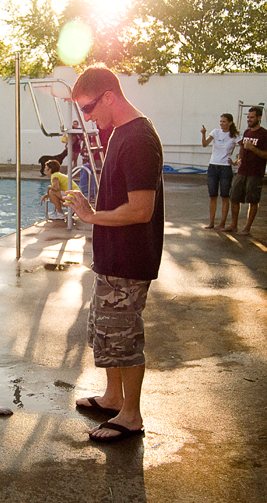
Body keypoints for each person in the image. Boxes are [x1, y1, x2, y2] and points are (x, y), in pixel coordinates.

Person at [64, 64, 165, 443]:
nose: (86, 118)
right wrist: (90, 208)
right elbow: (120, 200)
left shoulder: (138, 138)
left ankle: (131, 415)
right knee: (105, 333)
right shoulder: (119, 133)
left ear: (109, 96)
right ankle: (112, 397)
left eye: (88, 108)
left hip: (129, 261)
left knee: (123, 337)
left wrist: (92, 216)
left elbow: (141, 210)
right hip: (113, 258)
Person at [222, 106, 267, 236]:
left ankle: (247, 228)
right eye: (248, 117)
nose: (249, 120)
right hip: (242, 170)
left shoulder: (265, 134)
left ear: (259, 118)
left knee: (252, 200)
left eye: (252, 117)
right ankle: (233, 225)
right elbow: (243, 149)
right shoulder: (246, 132)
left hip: (255, 172)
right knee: (234, 196)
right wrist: (238, 159)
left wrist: (253, 149)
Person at [200, 113, 242, 229]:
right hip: (213, 166)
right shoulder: (215, 132)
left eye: (224, 121)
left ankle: (222, 222)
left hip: (225, 167)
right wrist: (203, 134)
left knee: (225, 195)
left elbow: (242, 146)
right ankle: (211, 222)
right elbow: (204, 144)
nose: (222, 123)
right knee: (213, 195)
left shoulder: (234, 135)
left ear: (230, 123)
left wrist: (236, 160)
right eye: (221, 121)